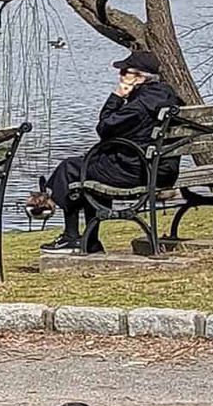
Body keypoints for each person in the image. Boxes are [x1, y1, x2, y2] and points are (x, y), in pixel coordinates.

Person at [38, 49, 181, 255]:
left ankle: (72, 236)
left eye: (125, 72)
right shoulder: (167, 95)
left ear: (140, 77)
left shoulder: (139, 105)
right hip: (162, 170)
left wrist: (116, 96)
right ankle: (90, 240)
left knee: (70, 168)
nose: (120, 76)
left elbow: (104, 128)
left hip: (137, 171)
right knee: (90, 168)